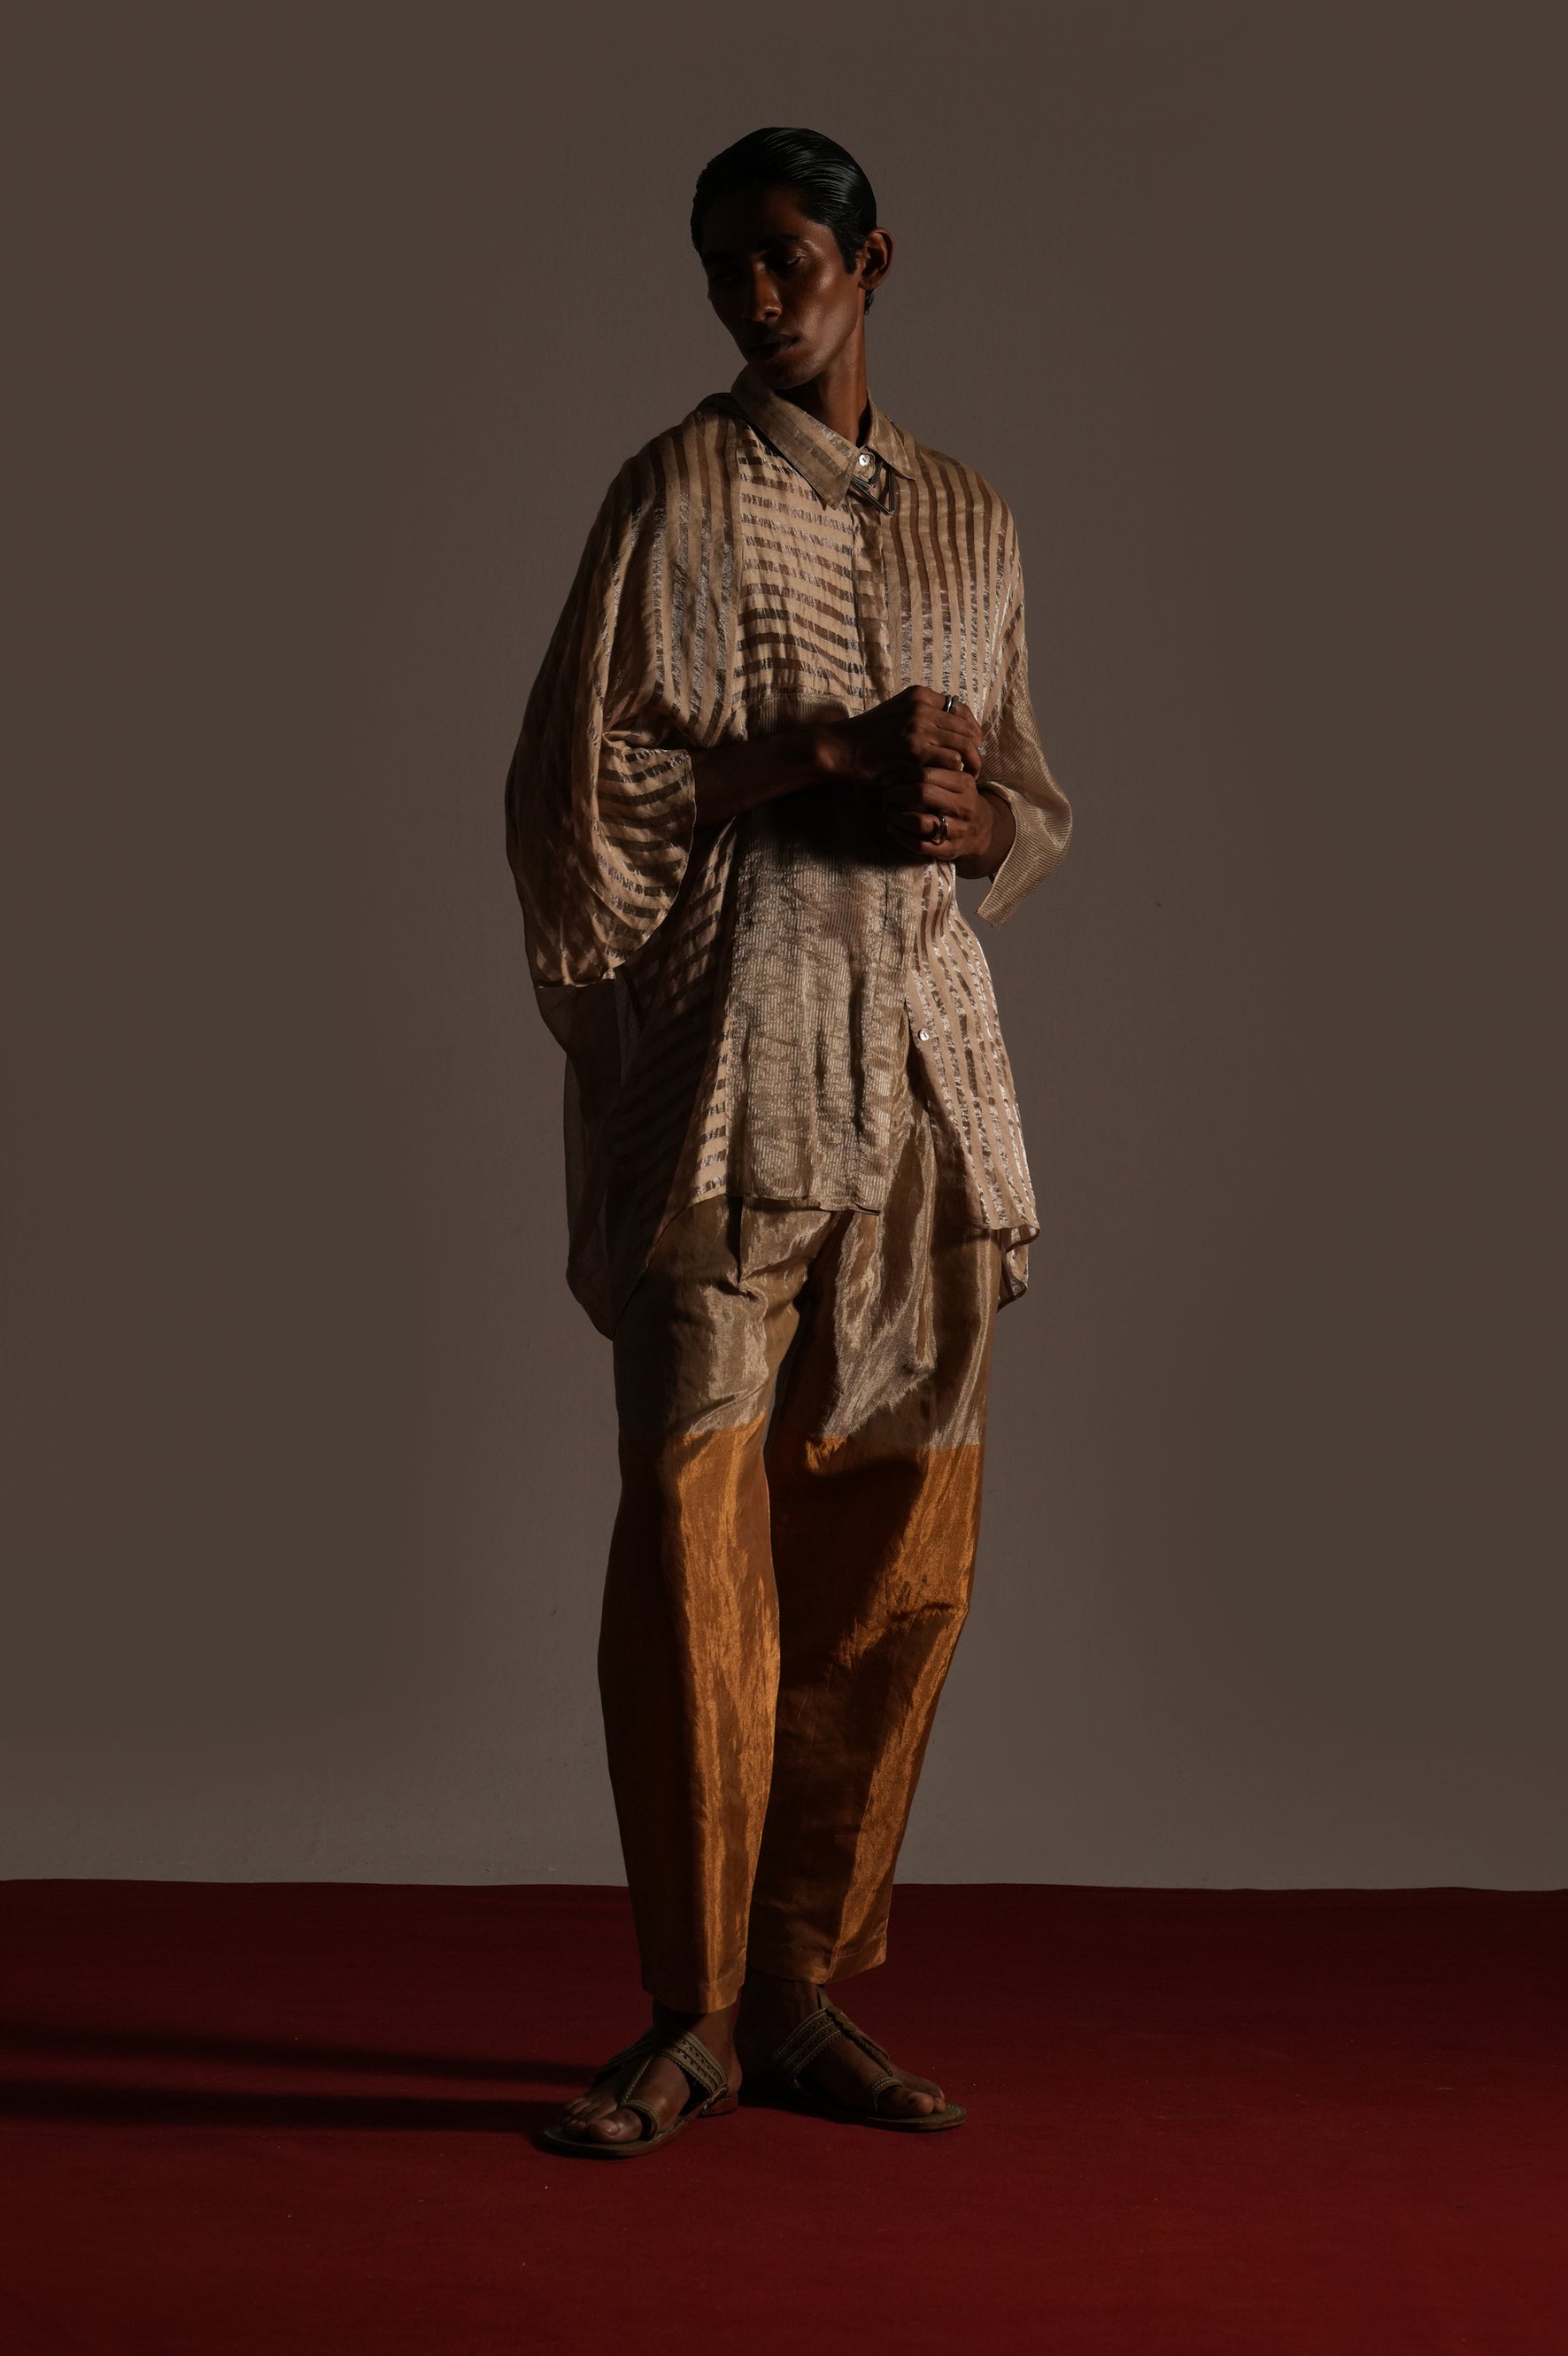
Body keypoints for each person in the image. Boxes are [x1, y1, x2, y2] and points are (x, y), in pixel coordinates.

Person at [504, 127, 1070, 2156]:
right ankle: (686, 2012)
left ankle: (798, 1986)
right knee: (695, 1547)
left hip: (922, 1093)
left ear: (869, 259)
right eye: (723, 265)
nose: (755, 296)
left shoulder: (973, 518)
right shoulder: (673, 494)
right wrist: (810, 753)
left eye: (786, 257)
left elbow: (1032, 796)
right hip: (731, 1079)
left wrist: (977, 819)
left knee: (894, 1557)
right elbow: (578, 798)